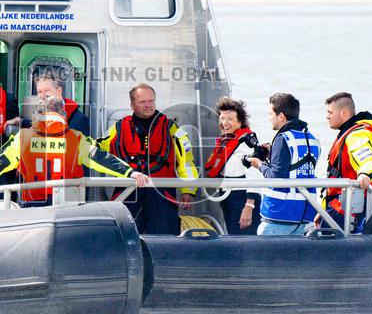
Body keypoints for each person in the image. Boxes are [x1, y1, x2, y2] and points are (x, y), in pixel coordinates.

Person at [0, 96, 148, 206]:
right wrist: (131, 172)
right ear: (63, 113)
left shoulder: (23, 138)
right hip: (69, 207)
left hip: (33, 207)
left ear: (38, 113)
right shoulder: (76, 139)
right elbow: (102, 159)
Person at [98, 83, 198, 235]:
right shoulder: (118, 128)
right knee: (124, 236)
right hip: (127, 193)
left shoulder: (171, 128)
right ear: (132, 105)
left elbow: (186, 160)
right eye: (142, 102)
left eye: (151, 101)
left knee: (164, 238)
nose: (148, 105)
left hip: (162, 195)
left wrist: (189, 190)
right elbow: (97, 153)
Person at [246, 93, 321, 236]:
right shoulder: (313, 139)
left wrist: (259, 164)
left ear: (281, 116)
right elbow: (297, 168)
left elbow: (276, 176)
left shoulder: (283, 138)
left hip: (279, 215)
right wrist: (272, 153)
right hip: (305, 215)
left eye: (270, 113)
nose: (269, 118)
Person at [323, 92, 372, 233]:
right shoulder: (349, 132)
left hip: (347, 208)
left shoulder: (357, 135)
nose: (327, 116)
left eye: (330, 112)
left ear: (343, 112)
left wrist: (365, 173)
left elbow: (369, 161)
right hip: (341, 205)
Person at [204, 97, 262, 235]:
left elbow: (254, 175)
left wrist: (249, 206)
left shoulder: (246, 143)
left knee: (244, 242)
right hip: (228, 197)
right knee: (233, 237)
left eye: (229, 119)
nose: (225, 123)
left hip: (242, 198)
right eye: (222, 118)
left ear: (240, 122)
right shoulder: (226, 141)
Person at [21, 73, 90, 136]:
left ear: (59, 91)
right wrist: (20, 121)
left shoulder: (79, 120)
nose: (42, 95)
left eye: (46, 90)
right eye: (39, 92)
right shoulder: (39, 118)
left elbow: (85, 147)